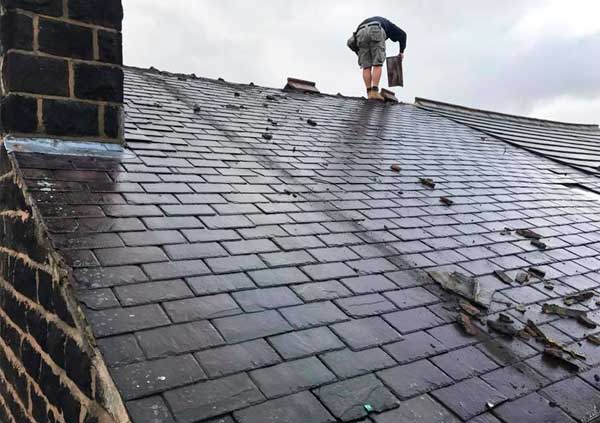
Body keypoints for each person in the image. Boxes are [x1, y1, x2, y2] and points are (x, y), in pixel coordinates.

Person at [347, 17, 407, 100]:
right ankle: (374, 92)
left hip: (360, 33)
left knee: (366, 66)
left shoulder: (375, 21)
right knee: (377, 62)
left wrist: (361, 54)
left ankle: (369, 93)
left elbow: (351, 43)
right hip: (375, 29)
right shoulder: (390, 26)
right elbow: (403, 35)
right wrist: (401, 52)